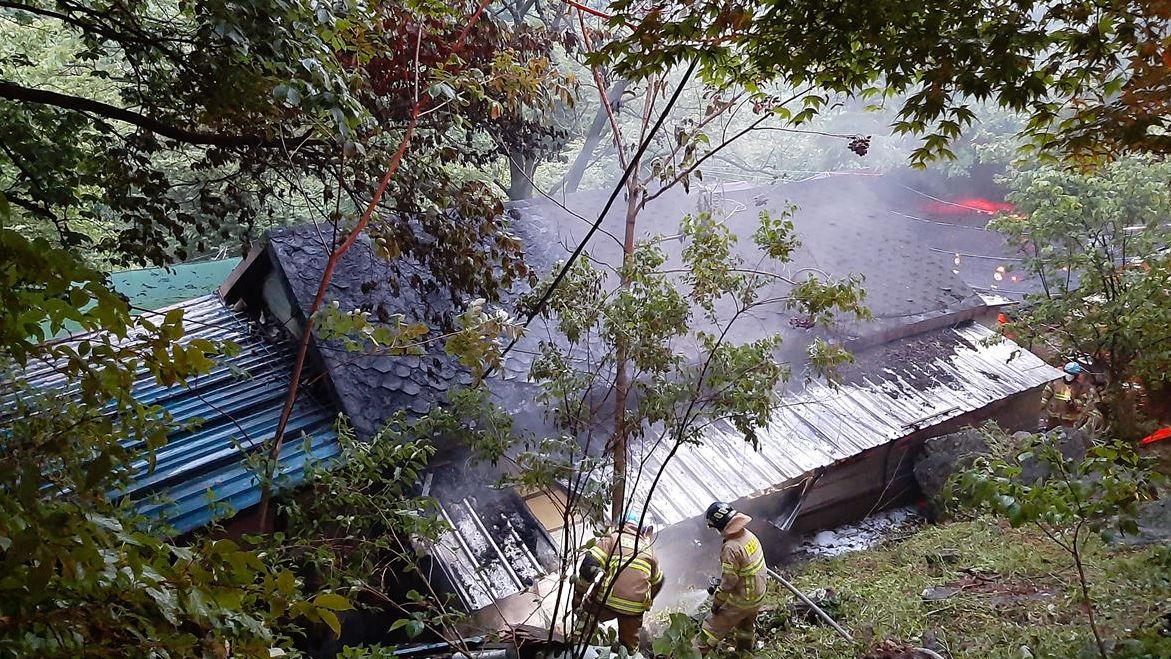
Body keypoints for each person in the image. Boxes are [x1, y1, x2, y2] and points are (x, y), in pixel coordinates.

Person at [572, 512, 663, 654]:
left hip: (605, 601)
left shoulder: (612, 539)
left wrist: (579, 595)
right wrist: (647, 601)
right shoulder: (649, 551)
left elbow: (589, 565)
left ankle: (577, 646)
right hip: (634, 609)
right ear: (643, 530)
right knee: (629, 648)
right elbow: (658, 581)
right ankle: (629, 653)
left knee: (584, 625)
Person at [694, 502, 767, 655]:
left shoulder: (731, 548)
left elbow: (729, 582)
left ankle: (694, 653)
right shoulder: (748, 535)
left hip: (742, 600)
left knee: (711, 627)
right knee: (745, 627)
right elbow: (741, 571)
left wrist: (717, 602)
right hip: (758, 595)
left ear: (719, 525)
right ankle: (744, 652)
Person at [1040, 361, 1104, 434]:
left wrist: (1073, 402)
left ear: (1075, 376)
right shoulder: (1055, 382)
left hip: (1069, 417)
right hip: (1053, 415)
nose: (1068, 376)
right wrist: (1041, 405)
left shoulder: (1080, 387)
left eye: (1071, 375)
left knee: (1066, 435)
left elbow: (1082, 402)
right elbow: (1046, 394)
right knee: (1050, 433)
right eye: (1067, 374)